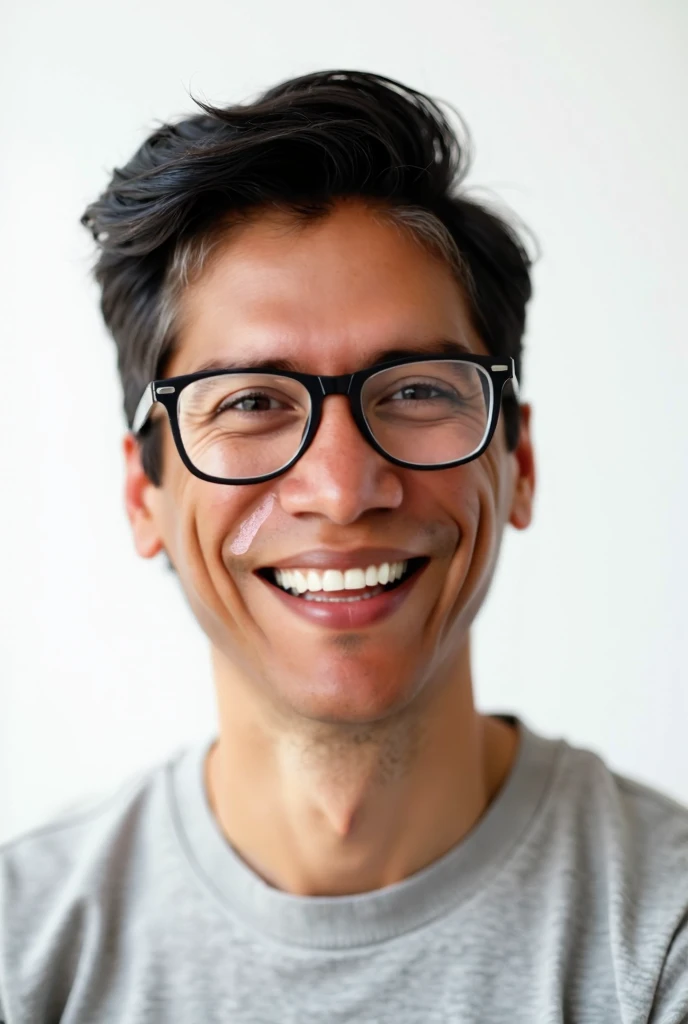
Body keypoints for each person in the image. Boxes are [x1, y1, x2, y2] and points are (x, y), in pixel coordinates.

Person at [1, 69, 686, 1024]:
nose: (341, 489)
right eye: (250, 402)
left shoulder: (661, 941)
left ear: (518, 461)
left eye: (415, 390)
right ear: (141, 493)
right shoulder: (24, 953)